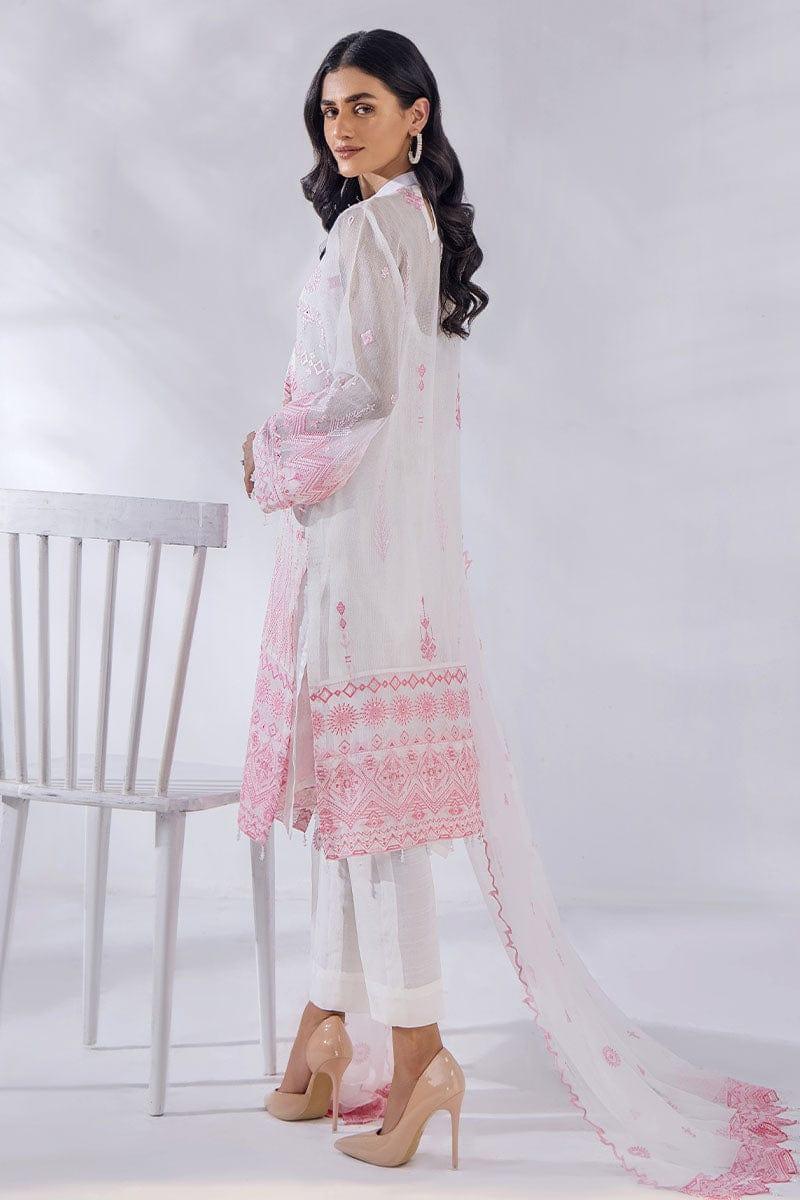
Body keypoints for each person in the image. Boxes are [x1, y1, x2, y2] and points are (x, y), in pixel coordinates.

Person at [239, 28, 800, 1190]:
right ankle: (327, 1031)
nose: (339, 127)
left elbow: (360, 402)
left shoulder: (369, 231)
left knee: (377, 829)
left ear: (417, 115)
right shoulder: (413, 227)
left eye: (362, 106)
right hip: (392, 566)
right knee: (359, 815)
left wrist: (268, 450)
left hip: (359, 567)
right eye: (328, 109)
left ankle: (418, 1060)